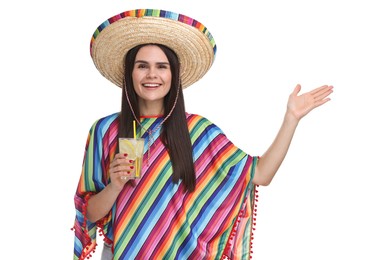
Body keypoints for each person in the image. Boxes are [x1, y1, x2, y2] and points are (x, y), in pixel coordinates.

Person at [72, 9, 333, 260]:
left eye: (162, 66)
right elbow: (90, 214)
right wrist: (116, 185)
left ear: (173, 75)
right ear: (130, 73)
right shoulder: (105, 130)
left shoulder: (197, 131)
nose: (152, 74)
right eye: (142, 66)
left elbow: (260, 174)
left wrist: (291, 119)